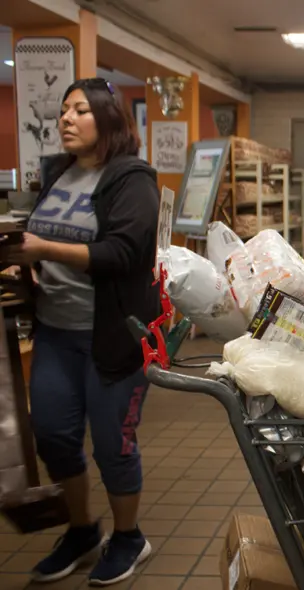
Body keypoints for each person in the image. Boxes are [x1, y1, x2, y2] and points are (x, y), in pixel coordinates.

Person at [0, 78, 160, 585]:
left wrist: (43, 251)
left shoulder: (133, 179)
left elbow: (122, 253)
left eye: (80, 111)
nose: (66, 119)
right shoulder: (59, 173)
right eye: (64, 110)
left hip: (112, 337)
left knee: (114, 443)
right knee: (53, 435)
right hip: (55, 333)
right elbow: (37, 240)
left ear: (108, 119)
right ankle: (81, 529)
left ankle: (129, 536)